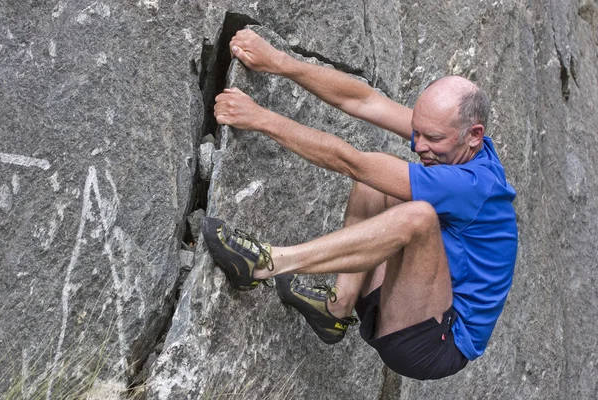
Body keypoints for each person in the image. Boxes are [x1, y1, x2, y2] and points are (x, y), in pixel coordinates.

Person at [202, 28, 518, 380]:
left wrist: (260, 118)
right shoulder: (456, 141)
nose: (418, 145)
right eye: (418, 132)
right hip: (408, 301)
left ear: (474, 134)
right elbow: (365, 101)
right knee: (379, 184)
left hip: (434, 344)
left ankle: (266, 264)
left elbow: (351, 162)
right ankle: (336, 307)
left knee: (418, 217)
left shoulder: (473, 186)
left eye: (432, 139)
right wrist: (278, 62)